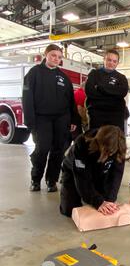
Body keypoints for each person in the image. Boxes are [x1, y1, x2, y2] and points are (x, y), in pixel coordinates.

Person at [22, 44, 79, 193]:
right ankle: (35, 179)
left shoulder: (64, 77)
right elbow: (27, 98)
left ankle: (51, 180)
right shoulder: (34, 73)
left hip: (61, 119)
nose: (56, 59)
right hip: (41, 119)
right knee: (42, 149)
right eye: (53, 55)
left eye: (59, 57)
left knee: (58, 150)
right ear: (45, 55)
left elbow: (71, 101)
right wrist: (29, 121)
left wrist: (74, 119)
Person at [59, 125, 126, 217]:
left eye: (110, 153)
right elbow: (81, 177)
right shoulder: (82, 142)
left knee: (107, 204)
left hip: (101, 173)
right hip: (74, 171)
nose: (107, 156)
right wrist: (97, 201)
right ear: (99, 143)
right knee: (69, 211)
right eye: (105, 152)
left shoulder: (120, 145)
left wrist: (109, 200)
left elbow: (116, 175)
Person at [85, 49, 129, 131]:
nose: (111, 63)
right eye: (109, 60)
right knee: (95, 141)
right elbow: (90, 92)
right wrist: (113, 94)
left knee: (115, 142)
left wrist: (101, 88)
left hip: (116, 116)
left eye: (114, 61)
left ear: (117, 63)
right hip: (96, 115)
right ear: (104, 59)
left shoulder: (121, 78)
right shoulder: (94, 74)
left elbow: (122, 92)